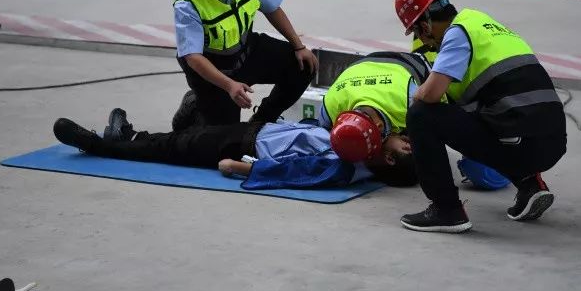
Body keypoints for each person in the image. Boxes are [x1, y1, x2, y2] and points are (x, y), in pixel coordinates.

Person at [393, 0, 567, 233]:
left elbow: (431, 95)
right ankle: (530, 185)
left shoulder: (457, 34)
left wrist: (416, 97)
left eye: (418, 33)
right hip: (554, 141)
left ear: (425, 25)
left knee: (421, 115)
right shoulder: (481, 23)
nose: (424, 41)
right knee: (484, 113)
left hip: (523, 146)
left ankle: (446, 210)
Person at [52, 108, 416, 188]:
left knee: (173, 148)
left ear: (388, 157)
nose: (406, 139)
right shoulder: (359, 146)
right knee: (184, 140)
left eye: (405, 146)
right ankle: (134, 135)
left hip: (245, 146)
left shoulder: (345, 167)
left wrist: (240, 168)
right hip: (259, 131)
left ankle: (101, 144)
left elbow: (293, 173)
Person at [172, 0, 317, 129]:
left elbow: (272, 9)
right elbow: (193, 58)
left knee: (303, 65)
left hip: (246, 51)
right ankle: (194, 107)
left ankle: (261, 121)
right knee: (224, 138)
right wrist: (229, 85)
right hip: (213, 71)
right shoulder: (188, 4)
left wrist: (299, 47)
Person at [318, 51, 435, 180]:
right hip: (363, 62)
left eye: (380, 142)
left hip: (408, 61)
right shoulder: (329, 111)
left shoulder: (410, 103)